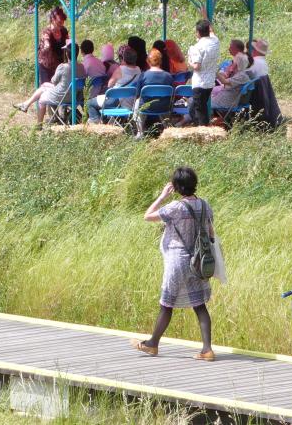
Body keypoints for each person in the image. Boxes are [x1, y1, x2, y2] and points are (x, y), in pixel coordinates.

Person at [131, 167, 215, 360]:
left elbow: (147, 216)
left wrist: (162, 196)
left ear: (176, 187)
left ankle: (152, 344)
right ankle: (207, 350)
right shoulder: (204, 205)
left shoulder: (175, 207)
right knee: (199, 305)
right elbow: (211, 233)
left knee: (167, 304)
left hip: (177, 260)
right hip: (198, 262)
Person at [15, 41, 85, 127]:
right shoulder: (82, 67)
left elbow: (53, 81)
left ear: (67, 54)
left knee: (42, 99)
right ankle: (26, 104)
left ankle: (39, 125)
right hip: (75, 97)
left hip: (61, 96)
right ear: (77, 53)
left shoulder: (63, 67)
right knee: (44, 86)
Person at [87, 47, 140, 123]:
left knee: (90, 103)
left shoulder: (120, 69)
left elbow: (110, 84)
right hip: (131, 102)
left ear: (123, 59)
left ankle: (96, 123)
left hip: (116, 101)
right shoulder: (138, 70)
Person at [186, 19, 220, 126]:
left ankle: (203, 128)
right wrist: (205, 17)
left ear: (198, 32)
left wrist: (189, 62)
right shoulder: (215, 41)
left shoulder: (197, 47)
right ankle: (201, 127)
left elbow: (197, 66)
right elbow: (212, 31)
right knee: (197, 108)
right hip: (210, 81)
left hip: (200, 82)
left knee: (200, 110)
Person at [134, 49, 175, 137]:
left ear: (148, 61)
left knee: (137, 102)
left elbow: (137, 95)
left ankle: (140, 131)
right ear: (161, 61)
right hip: (164, 107)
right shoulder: (168, 76)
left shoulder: (143, 75)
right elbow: (173, 94)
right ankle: (167, 129)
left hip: (146, 107)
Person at [37, 8, 69, 85]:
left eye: (63, 22)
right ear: (53, 19)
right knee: (47, 87)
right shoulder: (46, 32)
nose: (61, 24)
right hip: (46, 65)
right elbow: (46, 41)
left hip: (59, 64)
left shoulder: (64, 30)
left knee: (58, 86)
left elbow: (68, 42)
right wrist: (47, 45)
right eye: (59, 22)